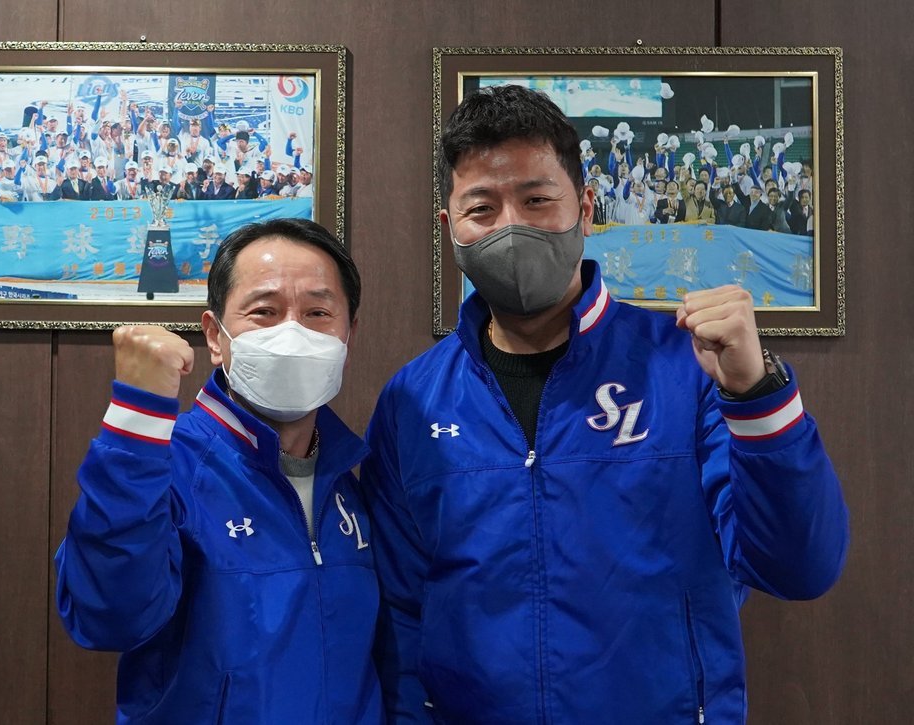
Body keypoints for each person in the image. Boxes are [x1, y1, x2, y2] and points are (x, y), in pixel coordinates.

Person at [362, 84, 848, 723]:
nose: (511, 228)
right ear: (448, 225)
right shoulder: (413, 399)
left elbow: (800, 568)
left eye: (538, 200)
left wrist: (757, 395)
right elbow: (401, 610)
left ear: (586, 208)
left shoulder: (686, 368)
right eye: (482, 208)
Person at [55, 218, 382, 724]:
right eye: (264, 312)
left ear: (348, 334)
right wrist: (136, 417)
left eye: (318, 312)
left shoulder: (351, 478)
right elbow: (108, 617)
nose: (291, 332)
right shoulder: (164, 465)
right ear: (215, 336)